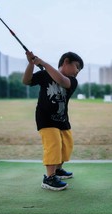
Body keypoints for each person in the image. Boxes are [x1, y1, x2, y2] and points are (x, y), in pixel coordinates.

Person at [22, 51, 84, 191]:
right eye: (77, 66)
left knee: (66, 146)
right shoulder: (45, 75)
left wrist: (43, 63)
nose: (78, 71)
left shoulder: (72, 81)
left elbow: (62, 81)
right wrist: (31, 63)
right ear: (66, 61)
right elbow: (26, 81)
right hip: (45, 118)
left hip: (62, 119)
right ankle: (49, 178)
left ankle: (57, 170)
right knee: (54, 145)